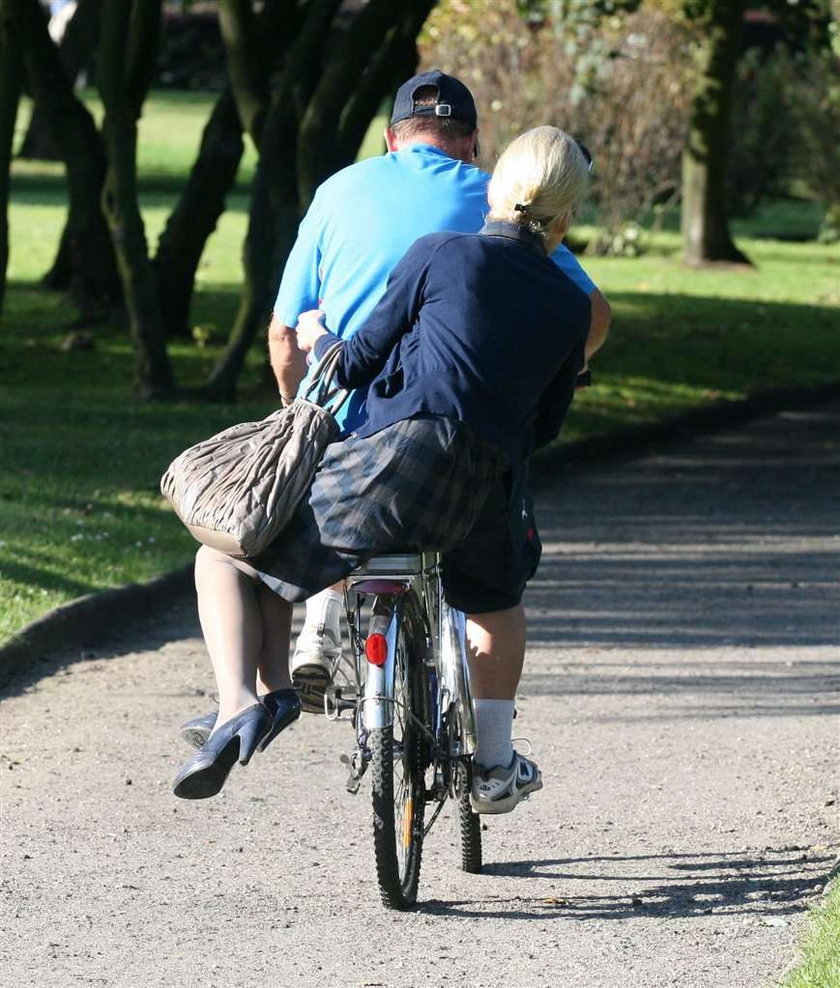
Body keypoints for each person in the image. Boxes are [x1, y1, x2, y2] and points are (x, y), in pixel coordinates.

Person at [172, 125, 592, 813]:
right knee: (495, 602)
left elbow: (359, 360)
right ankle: (492, 764)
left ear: (494, 190)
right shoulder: (570, 305)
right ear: (568, 213)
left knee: (234, 554)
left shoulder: (440, 255)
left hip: (389, 469)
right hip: (484, 489)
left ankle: (245, 702)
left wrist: (318, 337)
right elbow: (544, 428)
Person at [262, 70, 610, 716]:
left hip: (358, 429)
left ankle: (319, 620)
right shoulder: (501, 202)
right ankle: (493, 753)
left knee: (330, 451)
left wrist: (297, 412)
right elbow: (593, 314)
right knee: (494, 590)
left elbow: (286, 334)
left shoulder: (338, 191)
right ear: (474, 145)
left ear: (391, 139)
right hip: (474, 440)